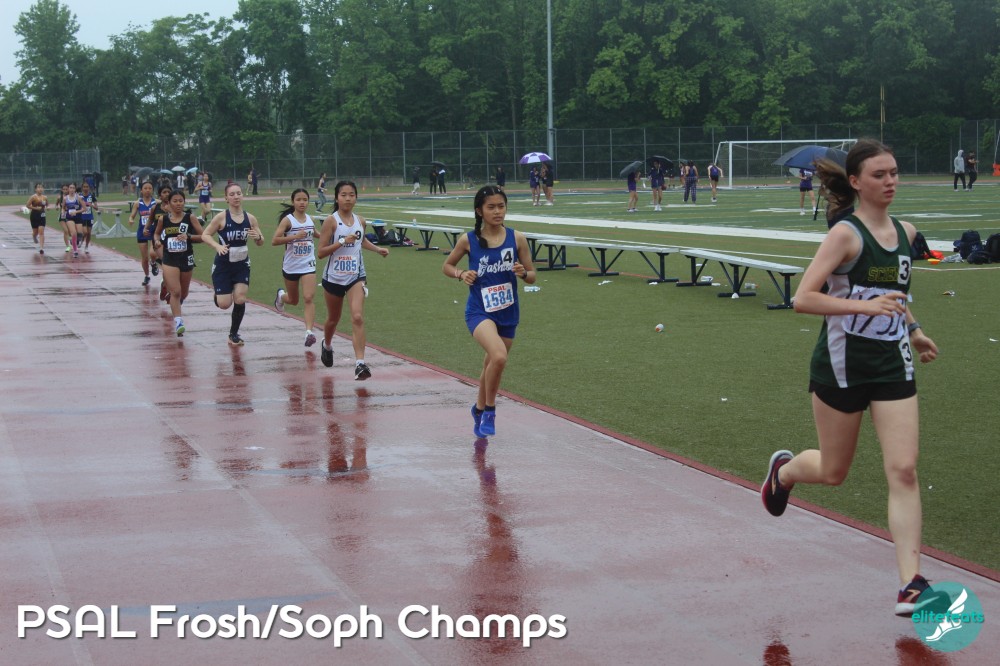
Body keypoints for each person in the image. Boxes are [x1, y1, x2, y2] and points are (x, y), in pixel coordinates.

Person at [760, 139, 939, 617]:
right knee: (833, 472)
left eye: (894, 172)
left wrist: (915, 331)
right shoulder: (845, 235)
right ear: (856, 182)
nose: (890, 181)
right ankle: (785, 472)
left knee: (904, 469)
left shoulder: (906, 232)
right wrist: (864, 306)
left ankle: (911, 583)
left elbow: (895, 294)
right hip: (841, 367)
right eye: (880, 175)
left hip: (892, 364)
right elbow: (803, 298)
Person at [442, 185, 537, 437]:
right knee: (499, 357)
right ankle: (490, 411)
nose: (497, 212)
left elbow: (532, 275)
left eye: (501, 206)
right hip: (479, 311)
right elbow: (447, 266)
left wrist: (523, 273)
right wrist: (461, 273)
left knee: (491, 364)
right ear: (479, 211)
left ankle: (478, 408)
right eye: (491, 207)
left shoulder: (517, 238)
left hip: (508, 312)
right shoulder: (469, 240)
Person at [316, 180, 389, 379]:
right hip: (333, 278)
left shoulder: (360, 221)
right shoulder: (331, 221)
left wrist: (377, 249)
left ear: (356, 197)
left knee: (357, 317)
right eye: (343, 195)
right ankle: (327, 345)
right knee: (333, 319)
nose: (348, 199)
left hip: (356, 276)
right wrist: (341, 241)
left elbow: (361, 239)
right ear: (336, 198)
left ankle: (360, 364)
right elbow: (321, 252)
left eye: (351, 195)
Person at [201, 182, 264, 346]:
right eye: (232, 194)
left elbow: (260, 241)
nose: (236, 197)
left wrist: (258, 237)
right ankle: (218, 295)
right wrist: (217, 246)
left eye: (238, 193)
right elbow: (205, 235)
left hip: (242, 264)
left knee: (240, 298)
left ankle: (233, 334)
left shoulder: (250, 218)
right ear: (226, 198)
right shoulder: (221, 217)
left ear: (242, 196)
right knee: (224, 304)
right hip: (223, 265)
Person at [153, 190, 205, 336]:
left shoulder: (190, 217)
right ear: (169, 203)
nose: (178, 204)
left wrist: (189, 236)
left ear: (184, 202)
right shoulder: (163, 219)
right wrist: (157, 241)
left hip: (186, 258)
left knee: (183, 293)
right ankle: (178, 322)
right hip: (169, 258)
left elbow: (203, 236)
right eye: (175, 201)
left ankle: (171, 295)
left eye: (180, 201)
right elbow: (156, 233)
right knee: (175, 291)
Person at [272, 188, 320, 347]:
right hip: (291, 265)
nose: (302, 202)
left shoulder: (310, 219)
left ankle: (309, 332)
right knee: (293, 300)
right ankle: (281, 296)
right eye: (299, 199)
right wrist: (294, 237)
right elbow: (275, 240)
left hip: (308, 264)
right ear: (293, 202)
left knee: (308, 297)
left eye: (305, 200)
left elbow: (315, 233)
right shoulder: (288, 220)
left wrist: (331, 236)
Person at [127, 181, 159, 285]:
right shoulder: (138, 203)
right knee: (144, 258)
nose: (147, 190)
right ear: (141, 190)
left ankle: (153, 263)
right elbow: (132, 215)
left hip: (154, 231)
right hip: (142, 231)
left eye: (150, 188)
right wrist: (131, 220)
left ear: (152, 190)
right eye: (145, 188)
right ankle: (147, 276)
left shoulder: (157, 202)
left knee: (153, 253)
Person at [26, 183, 48, 255]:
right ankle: (34, 236)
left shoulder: (45, 197)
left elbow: (47, 205)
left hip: (42, 215)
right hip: (34, 216)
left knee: (41, 232)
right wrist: (35, 208)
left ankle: (41, 248)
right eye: (38, 187)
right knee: (36, 232)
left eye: (41, 187)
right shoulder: (33, 197)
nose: (40, 189)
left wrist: (48, 207)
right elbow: (27, 205)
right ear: (35, 189)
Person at [63, 182, 83, 258]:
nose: (71, 189)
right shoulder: (65, 198)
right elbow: (63, 207)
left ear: (75, 189)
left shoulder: (78, 198)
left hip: (78, 217)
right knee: (73, 233)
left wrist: (76, 212)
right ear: (68, 189)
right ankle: (75, 251)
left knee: (80, 235)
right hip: (69, 217)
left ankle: (74, 241)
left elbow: (84, 209)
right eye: (70, 188)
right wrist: (63, 212)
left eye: (73, 188)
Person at [78, 180, 98, 253]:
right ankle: (81, 241)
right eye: (84, 187)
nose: (85, 188)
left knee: (89, 233)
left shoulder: (91, 196)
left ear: (89, 188)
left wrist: (91, 205)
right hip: (82, 217)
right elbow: (76, 206)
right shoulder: (79, 196)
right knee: (85, 232)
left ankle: (86, 247)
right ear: (82, 188)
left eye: (87, 187)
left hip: (90, 217)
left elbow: (96, 208)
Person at [55, 184, 70, 253]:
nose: (65, 191)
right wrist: (56, 207)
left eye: (66, 189)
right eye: (64, 189)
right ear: (62, 190)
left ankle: (72, 241)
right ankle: (67, 246)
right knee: (66, 231)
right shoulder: (59, 197)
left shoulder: (71, 197)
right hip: (62, 216)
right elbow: (56, 204)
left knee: (70, 231)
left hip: (70, 215)